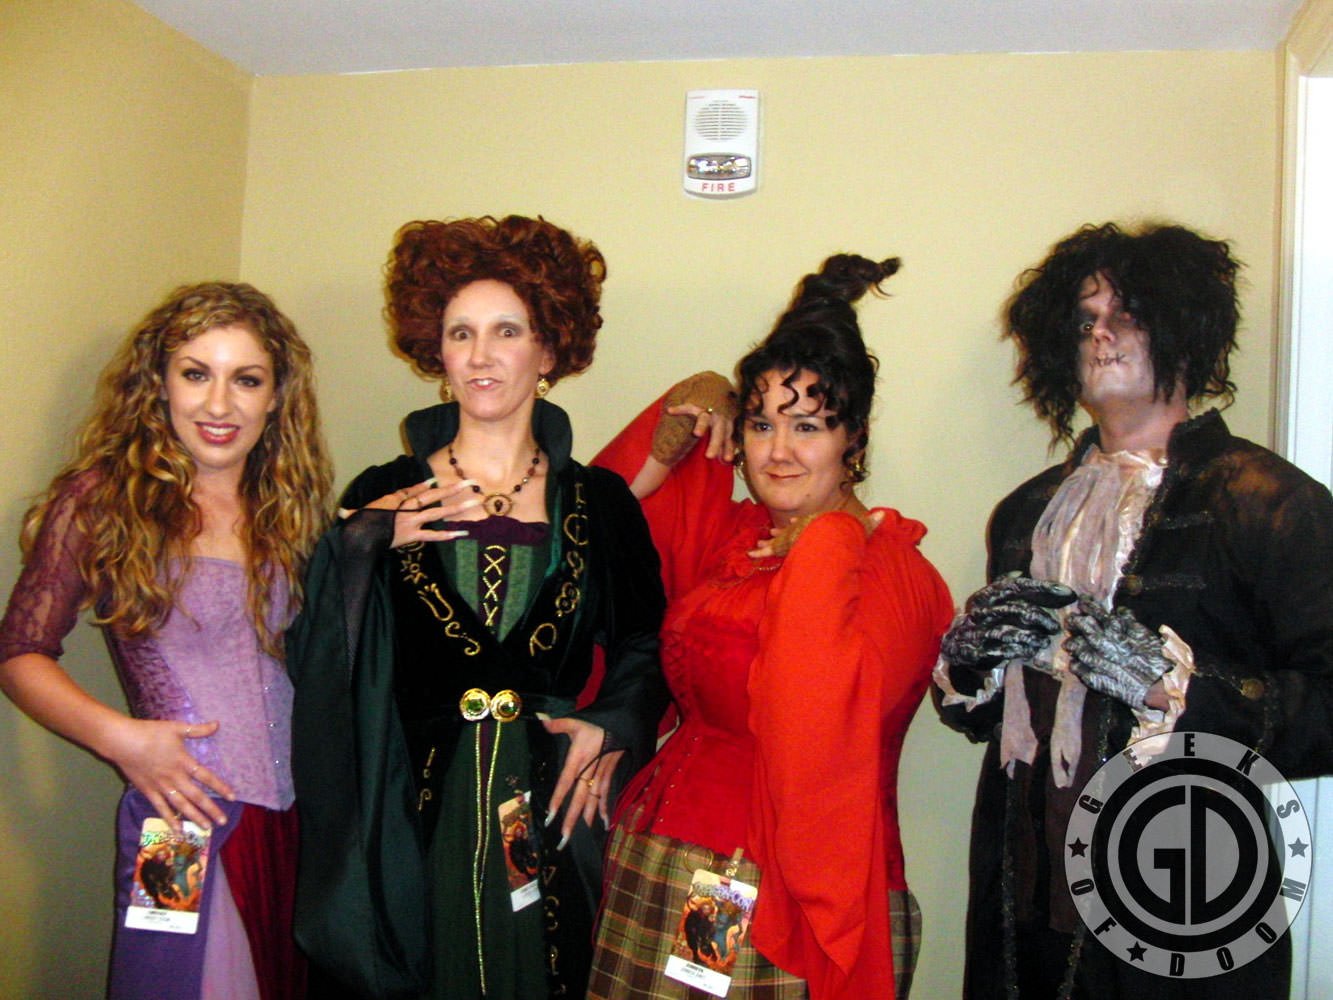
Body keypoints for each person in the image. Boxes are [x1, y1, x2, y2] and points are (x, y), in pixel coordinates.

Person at [933, 222, 1333, 999]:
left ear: (1186, 328)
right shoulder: (1026, 512)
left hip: (1184, 893)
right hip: (1028, 900)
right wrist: (971, 666)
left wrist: (1172, 687)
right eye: (1084, 318)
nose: (1101, 334)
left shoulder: (1272, 505)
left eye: (1128, 314)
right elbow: (986, 723)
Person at [288, 214, 668, 999]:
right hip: (411, 809)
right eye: (461, 333)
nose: (481, 355)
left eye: (507, 331)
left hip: (549, 805)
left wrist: (613, 725)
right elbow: (318, 651)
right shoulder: (381, 492)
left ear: (548, 351)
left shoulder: (599, 503)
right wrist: (365, 542)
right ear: (437, 351)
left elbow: (648, 642)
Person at [587, 253, 954, 1000]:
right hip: (654, 860)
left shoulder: (892, 573)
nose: (778, 451)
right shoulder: (734, 538)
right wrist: (690, 404)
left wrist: (826, 548)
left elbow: (820, 738)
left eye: (807, 426)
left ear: (854, 439)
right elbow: (597, 539)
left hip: (770, 891)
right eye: (760, 424)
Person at [0, 282, 332, 999]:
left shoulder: (289, 509)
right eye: (195, 373)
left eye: (246, 380)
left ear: (276, 396)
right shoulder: (102, 498)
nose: (219, 404)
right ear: (159, 383)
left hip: (293, 825)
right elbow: (20, 653)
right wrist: (122, 740)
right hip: (176, 824)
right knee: (171, 984)